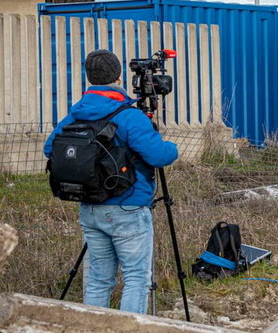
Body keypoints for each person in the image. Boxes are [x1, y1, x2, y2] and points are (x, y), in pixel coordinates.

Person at [44, 50, 179, 314]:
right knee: (136, 278)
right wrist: (171, 146)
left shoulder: (76, 114)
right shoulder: (129, 116)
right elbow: (158, 155)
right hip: (128, 207)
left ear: (90, 78)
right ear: (118, 77)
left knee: (98, 280)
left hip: (91, 207)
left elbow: (51, 148)